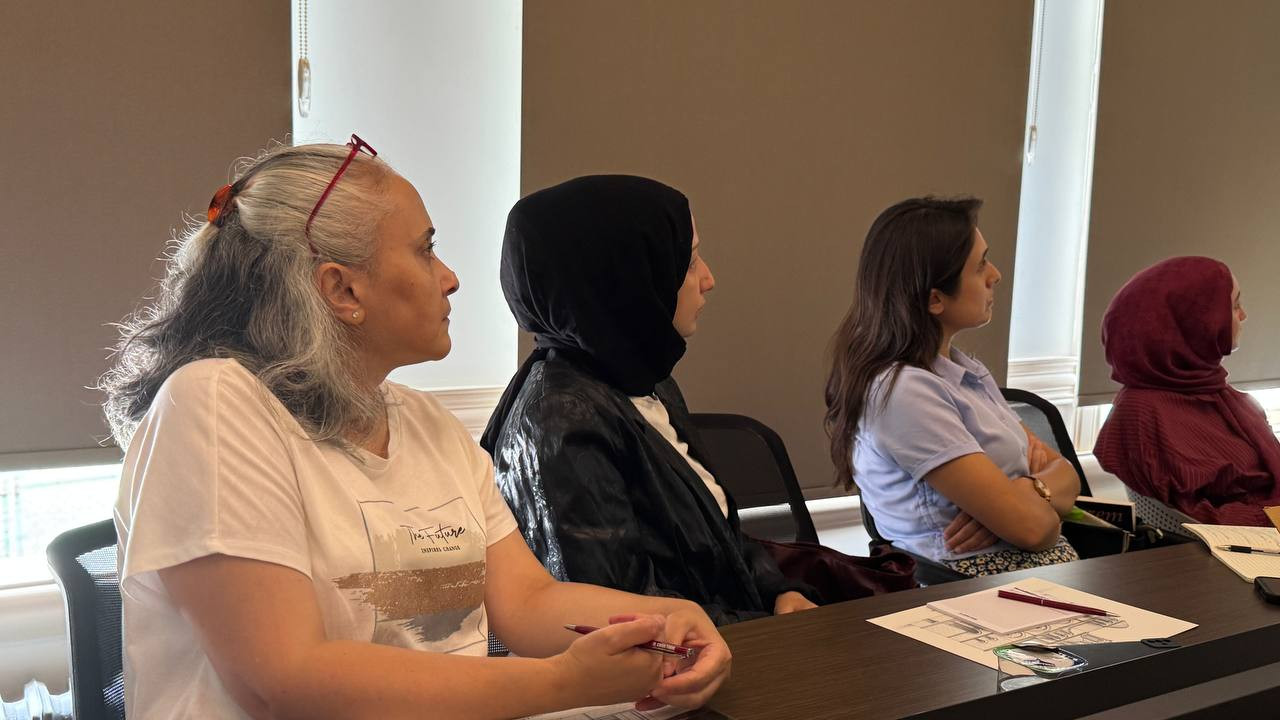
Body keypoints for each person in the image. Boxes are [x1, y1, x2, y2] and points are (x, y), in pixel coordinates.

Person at [100, 139, 730, 719]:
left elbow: (527, 602)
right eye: (426, 249)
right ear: (342, 290)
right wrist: (562, 682)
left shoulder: (426, 422)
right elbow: (286, 680)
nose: (450, 277)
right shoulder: (214, 404)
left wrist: (667, 619)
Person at [480, 175, 819, 624]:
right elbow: (621, 614)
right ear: (627, 277)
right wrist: (770, 631)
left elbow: (716, 531)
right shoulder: (559, 422)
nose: (709, 279)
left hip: (732, 638)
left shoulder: (645, 382)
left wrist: (781, 591)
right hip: (682, 658)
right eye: (688, 261)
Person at [823, 196, 1081, 576]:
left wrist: (1024, 494)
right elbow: (1032, 529)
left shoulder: (963, 371)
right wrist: (1037, 505)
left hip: (1031, 574)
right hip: (965, 584)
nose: (995, 275)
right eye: (980, 266)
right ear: (935, 299)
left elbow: (1068, 473)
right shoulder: (903, 392)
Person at [1094, 256, 1280, 525]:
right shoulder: (1143, 412)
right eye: (1234, 305)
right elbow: (1196, 519)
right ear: (1195, 321)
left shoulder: (1209, 387)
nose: (1243, 315)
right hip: (1246, 540)